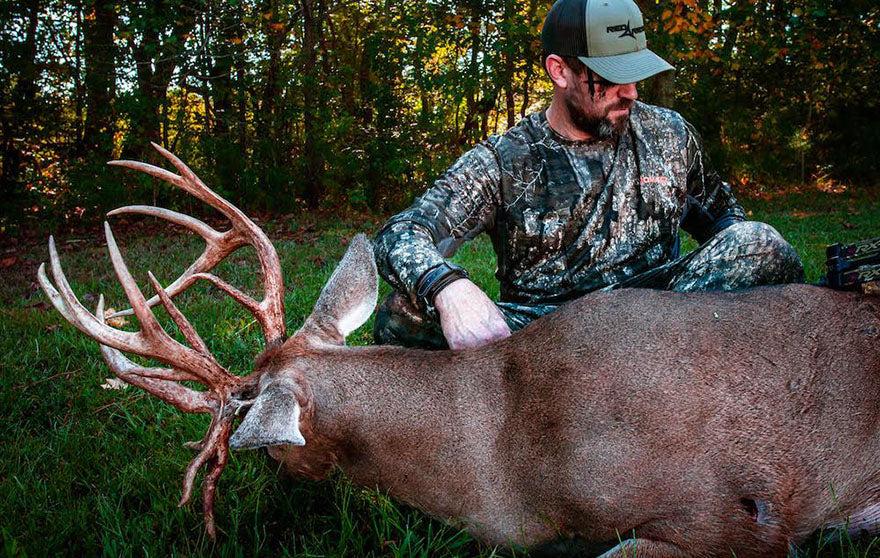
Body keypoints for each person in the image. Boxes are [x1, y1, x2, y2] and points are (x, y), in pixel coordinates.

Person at [372, 0, 804, 350]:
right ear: (560, 70)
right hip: (550, 336)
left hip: (661, 317)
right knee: (401, 314)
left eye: (636, 74)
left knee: (759, 243)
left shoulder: (669, 134)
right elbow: (401, 233)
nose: (631, 91)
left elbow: (726, 221)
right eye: (614, 77)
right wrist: (447, 286)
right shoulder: (507, 159)